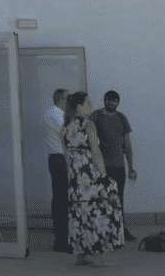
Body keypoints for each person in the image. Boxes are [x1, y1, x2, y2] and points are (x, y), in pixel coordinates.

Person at [63, 91, 124, 267]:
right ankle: (97, 257)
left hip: (75, 177)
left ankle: (80, 256)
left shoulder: (65, 127)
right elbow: (96, 152)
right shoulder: (88, 125)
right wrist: (103, 174)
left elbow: (67, 155)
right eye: (88, 103)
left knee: (78, 213)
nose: (91, 105)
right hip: (90, 175)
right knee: (98, 211)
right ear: (79, 107)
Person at [91, 90, 136, 241]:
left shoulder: (122, 118)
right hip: (101, 167)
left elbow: (127, 146)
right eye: (109, 100)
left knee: (118, 200)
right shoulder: (96, 116)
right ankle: (103, 232)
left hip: (118, 167)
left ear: (118, 102)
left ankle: (121, 231)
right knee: (101, 200)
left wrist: (131, 168)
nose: (111, 103)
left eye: (114, 100)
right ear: (104, 100)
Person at [42, 87, 69, 252]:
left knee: (63, 198)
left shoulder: (58, 114)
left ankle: (65, 237)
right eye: (68, 98)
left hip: (60, 158)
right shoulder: (55, 114)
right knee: (61, 199)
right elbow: (67, 134)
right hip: (59, 159)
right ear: (61, 99)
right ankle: (61, 239)